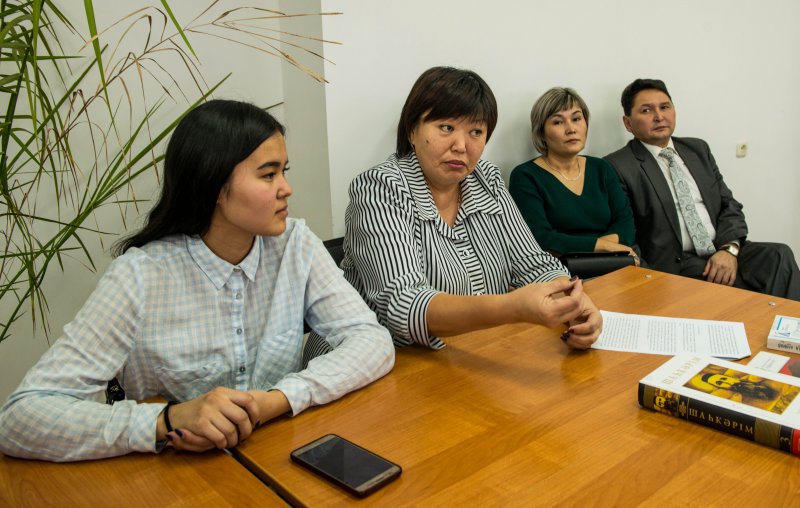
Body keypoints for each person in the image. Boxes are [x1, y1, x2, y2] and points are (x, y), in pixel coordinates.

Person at [0, 100, 394, 462]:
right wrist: (166, 420)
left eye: (283, 172)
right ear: (215, 186)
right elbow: (21, 417)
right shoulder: (139, 277)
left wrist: (276, 400)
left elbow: (371, 340)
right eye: (268, 175)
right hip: (178, 477)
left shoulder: (295, 245)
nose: (286, 188)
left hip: (274, 456)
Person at [341, 66, 602, 351]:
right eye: (446, 128)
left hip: (472, 353)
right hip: (380, 361)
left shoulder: (486, 178)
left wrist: (575, 301)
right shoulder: (379, 188)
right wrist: (512, 307)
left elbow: (532, 262)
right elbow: (404, 305)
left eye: (476, 132)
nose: (461, 146)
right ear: (412, 130)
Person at [605, 79, 800, 299]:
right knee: (747, 289)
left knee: (779, 255)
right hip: (678, 262)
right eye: (647, 110)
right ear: (628, 123)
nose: (659, 116)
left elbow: (729, 205)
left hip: (721, 247)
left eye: (664, 107)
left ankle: (786, 322)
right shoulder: (618, 166)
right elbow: (627, 236)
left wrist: (729, 250)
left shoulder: (697, 149)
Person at [509, 87, 639, 264]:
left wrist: (601, 250)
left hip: (615, 261)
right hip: (562, 269)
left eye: (576, 119)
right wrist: (603, 247)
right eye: (558, 122)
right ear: (541, 132)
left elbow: (626, 223)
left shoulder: (601, 167)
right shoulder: (525, 176)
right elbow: (540, 237)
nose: (571, 129)